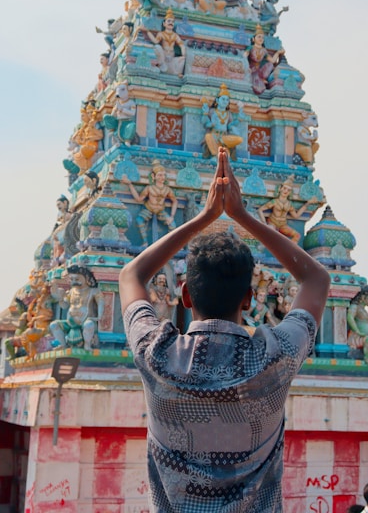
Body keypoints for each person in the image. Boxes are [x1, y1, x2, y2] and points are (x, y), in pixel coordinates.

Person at [120, 147, 330, 512]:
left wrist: (203, 217)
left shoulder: (155, 353)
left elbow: (131, 275)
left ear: (185, 295)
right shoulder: (275, 357)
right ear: (249, 298)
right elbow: (316, 277)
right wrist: (242, 215)